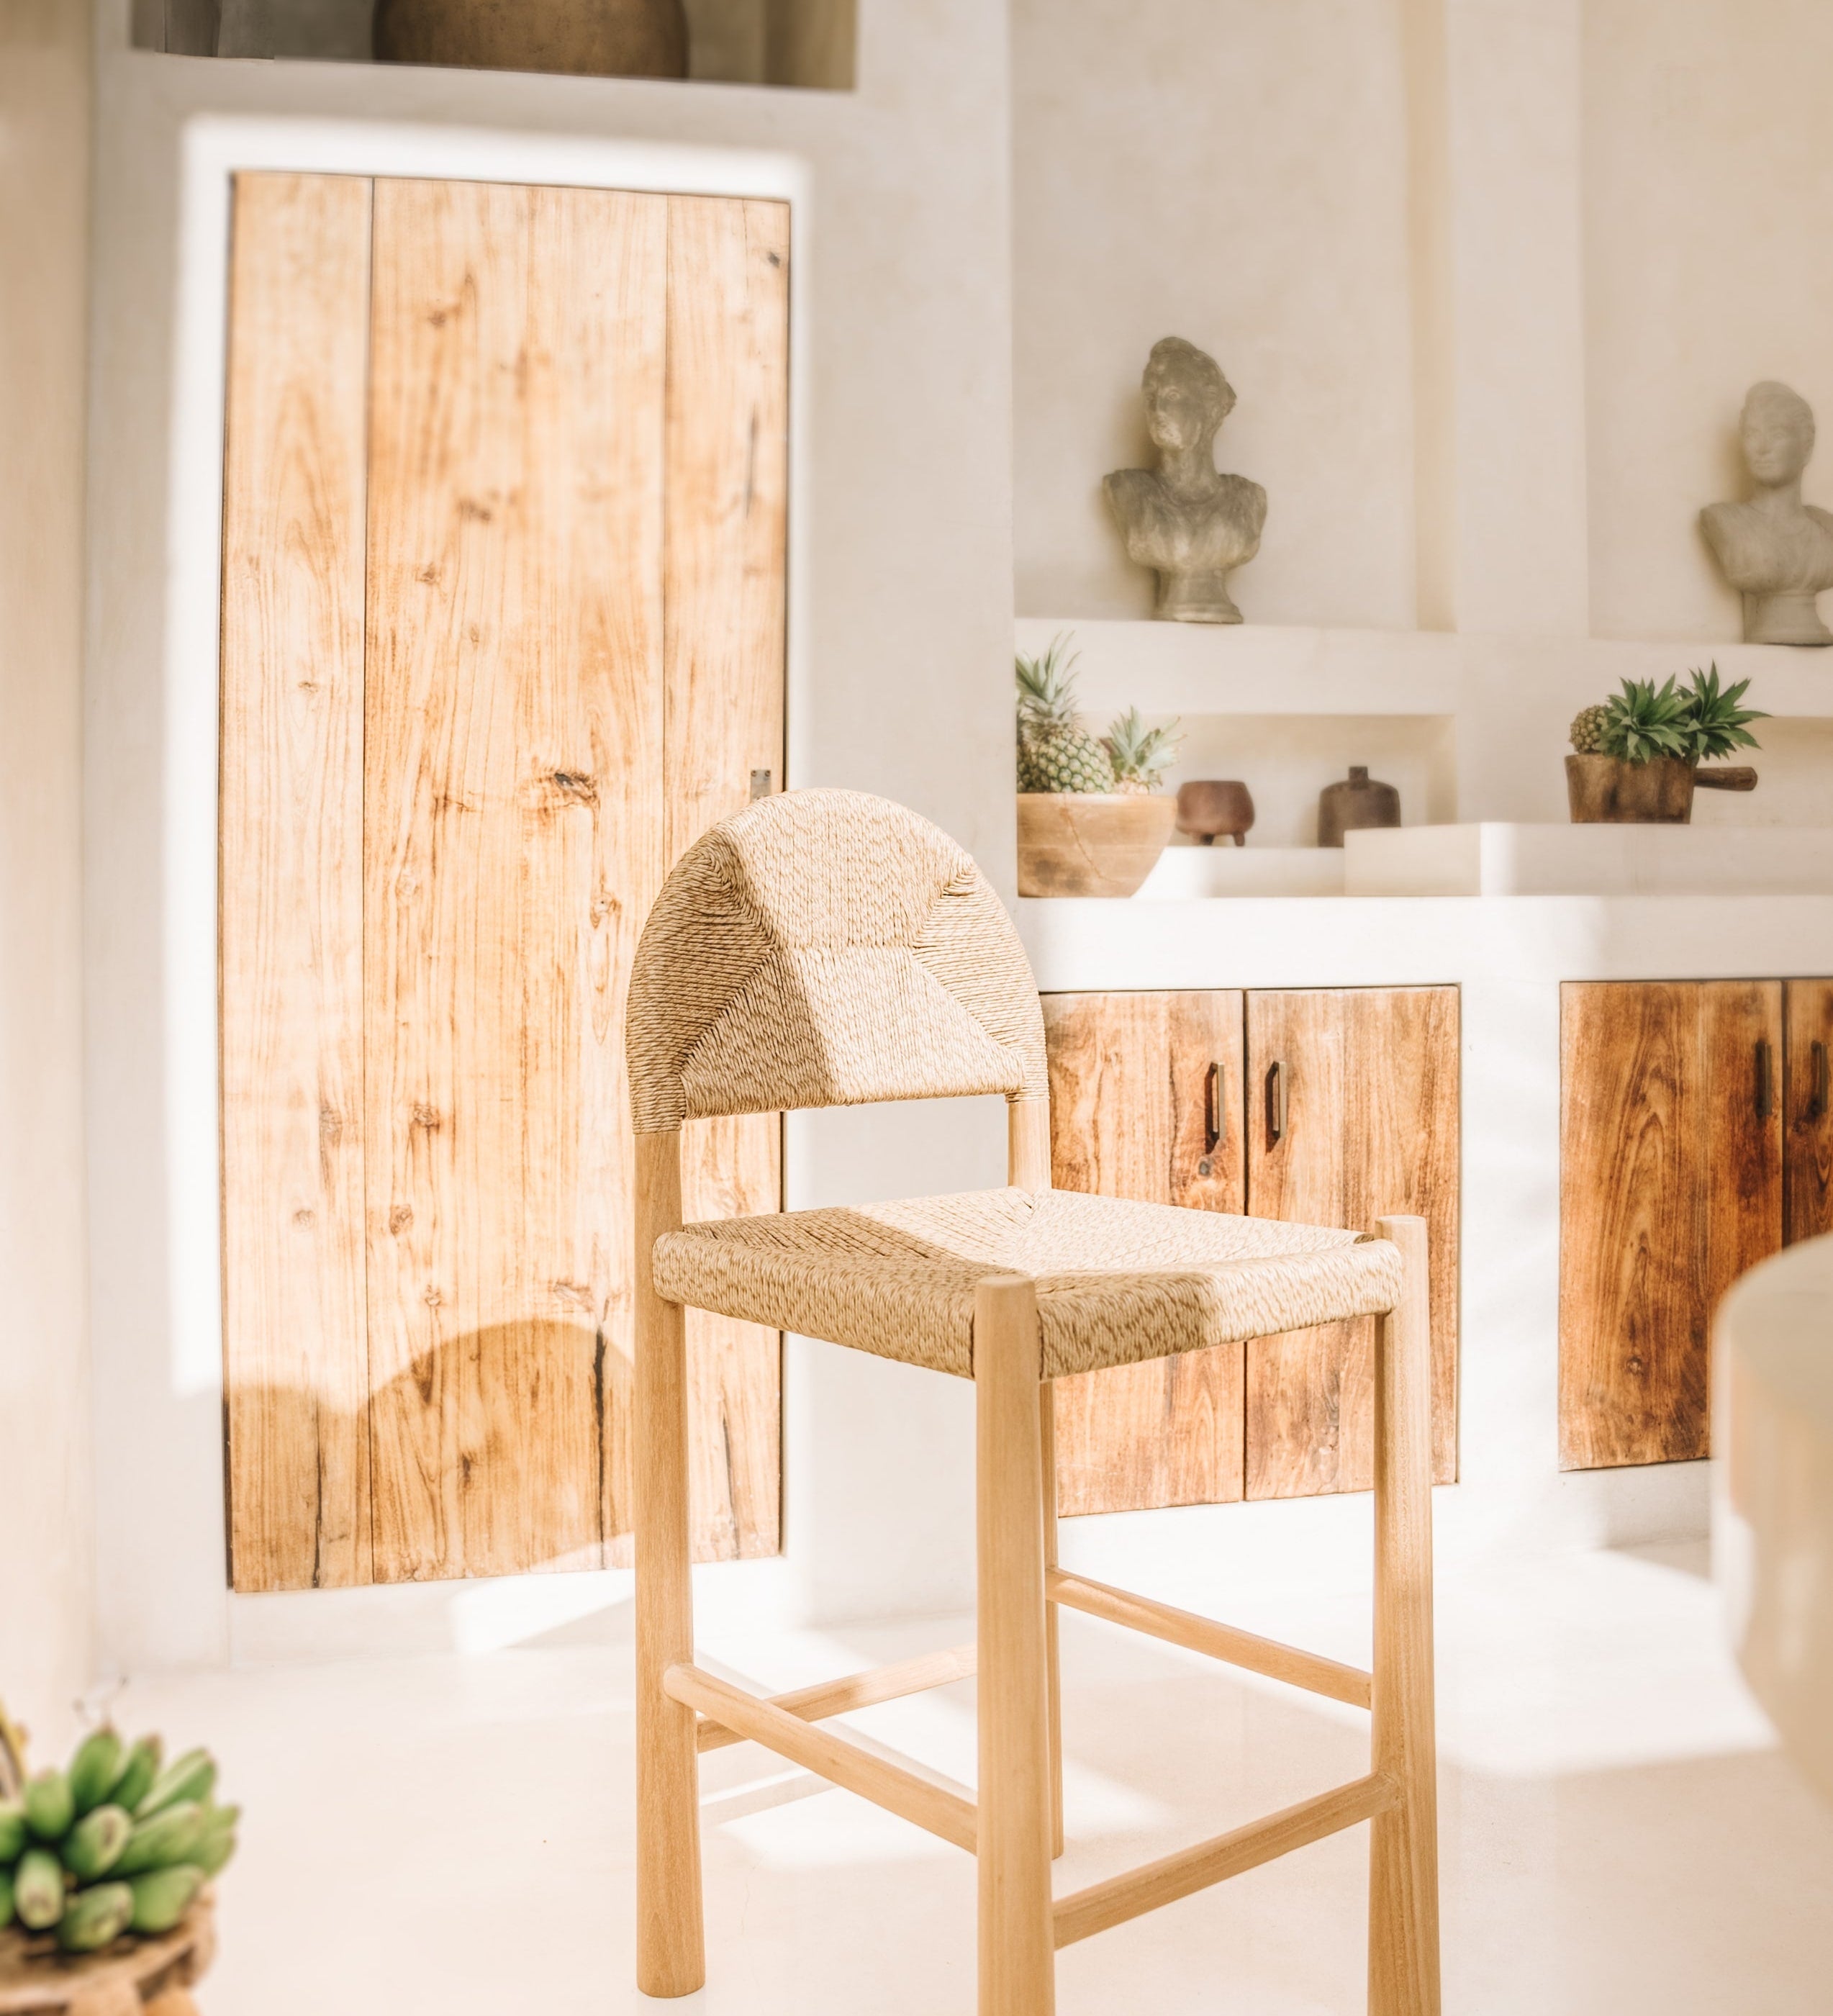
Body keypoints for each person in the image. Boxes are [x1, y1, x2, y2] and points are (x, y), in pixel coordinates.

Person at [1104, 337, 1266, 623]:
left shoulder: (1248, 498)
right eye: (1151, 399)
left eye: (1174, 396)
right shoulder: (1128, 489)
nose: (1158, 412)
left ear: (1211, 408)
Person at [1701, 380, 1833, 646]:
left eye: (1777, 434)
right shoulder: (1726, 522)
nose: (1762, 447)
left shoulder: (1826, 528)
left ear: (1806, 446)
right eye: (1752, 434)